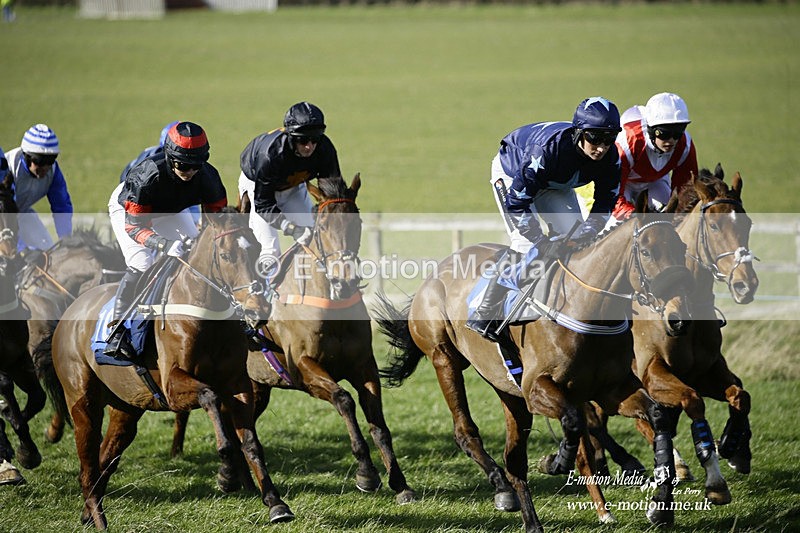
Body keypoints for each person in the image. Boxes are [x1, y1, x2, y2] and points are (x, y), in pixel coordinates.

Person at [466, 97, 623, 342]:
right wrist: (541, 240)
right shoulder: (549, 151)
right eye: (594, 138)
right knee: (526, 245)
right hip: (514, 173)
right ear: (579, 132)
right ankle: (485, 310)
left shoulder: (611, 158)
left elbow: (605, 202)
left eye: (609, 138)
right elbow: (517, 204)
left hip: (556, 182)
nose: (601, 147)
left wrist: (588, 231)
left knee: (578, 243)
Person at [104, 121, 227, 360]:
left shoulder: (209, 177)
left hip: (172, 209)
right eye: (183, 164)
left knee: (197, 252)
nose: (189, 171)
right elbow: (133, 227)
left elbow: (218, 222)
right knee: (142, 263)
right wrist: (164, 244)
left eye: (195, 165)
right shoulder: (146, 176)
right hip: (131, 212)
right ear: (170, 157)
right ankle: (117, 331)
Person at [239, 102, 341, 271]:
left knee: (316, 239)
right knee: (271, 252)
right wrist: (291, 228)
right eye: (302, 140)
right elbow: (263, 204)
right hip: (258, 189)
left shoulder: (325, 149)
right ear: (292, 136)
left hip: (293, 187)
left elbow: (332, 193)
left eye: (315, 139)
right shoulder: (270, 155)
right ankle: (263, 295)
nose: (309, 146)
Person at [612, 92, 698, 220]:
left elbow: (685, 190)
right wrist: (633, 215)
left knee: (668, 219)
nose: (671, 141)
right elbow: (612, 193)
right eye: (664, 134)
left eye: (677, 133)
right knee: (616, 224)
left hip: (656, 181)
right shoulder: (629, 142)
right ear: (651, 129)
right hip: (623, 185)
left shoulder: (685, 144)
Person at [5, 124, 73, 252]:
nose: (45, 168)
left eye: (51, 160)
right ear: (26, 156)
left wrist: (66, 242)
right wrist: (22, 250)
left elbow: (62, 207)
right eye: (40, 161)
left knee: (48, 253)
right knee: (12, 259)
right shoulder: (7, 170)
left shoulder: (53, 172)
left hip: (22, 213)